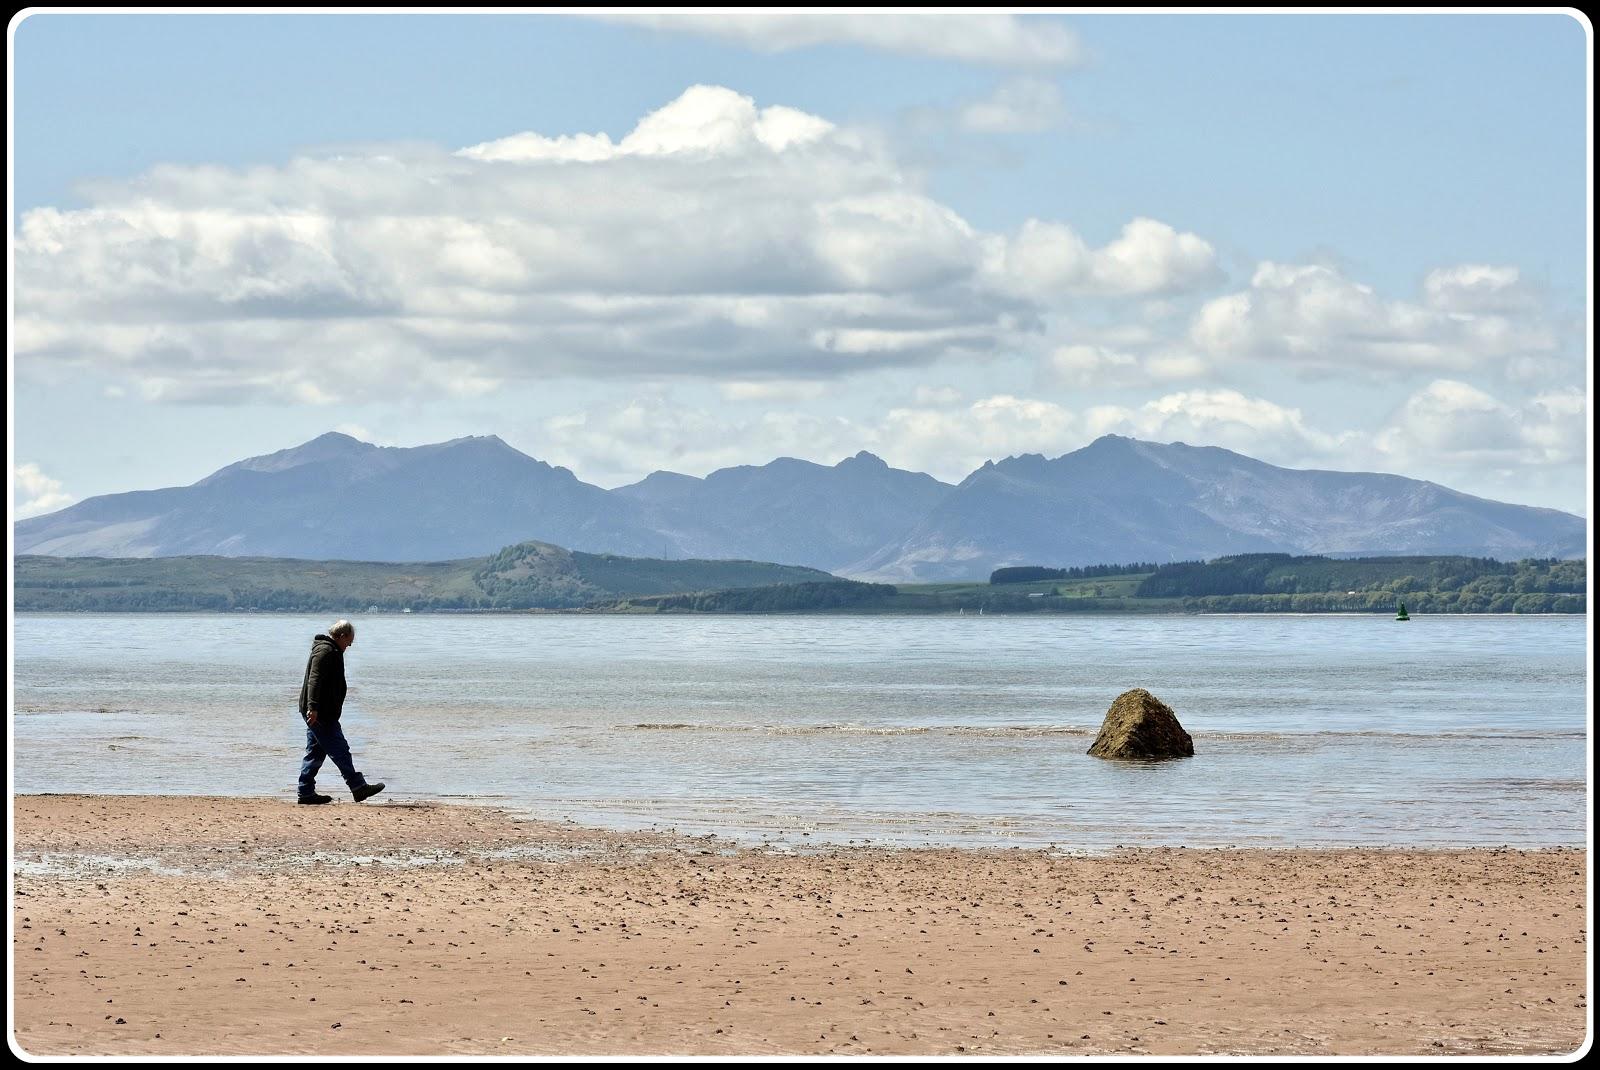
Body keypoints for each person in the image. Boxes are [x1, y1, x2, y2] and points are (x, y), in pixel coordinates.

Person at [297, 619, 385, 804]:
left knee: (315, 753)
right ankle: (358, 787)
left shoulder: (331, 650)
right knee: (340, 749)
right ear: (341, 636)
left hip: (321, 711)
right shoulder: (325, 651)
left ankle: (305, 792)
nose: (350, 645)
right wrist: (312, 708)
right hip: (320, 712)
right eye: (349, 641)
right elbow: (315, 679)